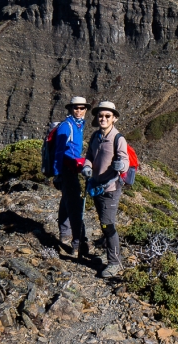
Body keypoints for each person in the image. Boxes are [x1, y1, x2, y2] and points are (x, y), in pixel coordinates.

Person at [81, 100, 130, 278]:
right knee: (103, 222)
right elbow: (89, 156)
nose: (103, 118)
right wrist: (86, 167)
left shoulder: (118, 138)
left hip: (110, 188)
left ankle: (114, 263)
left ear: (114, 118)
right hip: (95, 186)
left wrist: (121, 165)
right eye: (100, 115)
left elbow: (125, 161)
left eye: (107, 116)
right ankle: (110, 252)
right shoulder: (95, 136)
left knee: (107, 225)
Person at [53, 97, 90, 256]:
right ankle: (77, 243)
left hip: (73, 169)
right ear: (71, 109)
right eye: (76, 108)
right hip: (66, 171)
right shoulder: (66, 127)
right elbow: (58, 152)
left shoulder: (79, 125)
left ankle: (64, 234)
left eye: (82, 108)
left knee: (67, 199)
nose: (79, 111)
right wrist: (57, 174)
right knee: (75, 205)